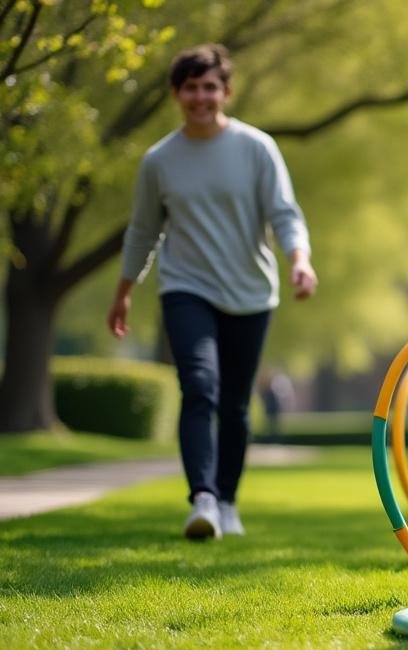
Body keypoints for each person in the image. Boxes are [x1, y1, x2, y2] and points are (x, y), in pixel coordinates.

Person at [107, 43, 318, 540]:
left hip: (250, 291)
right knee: (199, 386)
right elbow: (142, 232)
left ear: (225, 91)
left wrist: (300, 261)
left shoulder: (256, 147)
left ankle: (226, 500)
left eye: (210, 87)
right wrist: (123, 292)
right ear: (177, 94)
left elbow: (284, 214)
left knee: (237, 406)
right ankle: (201, 497)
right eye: (191, 88)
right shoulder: (159, 160)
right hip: (186, 287)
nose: (201, 97)